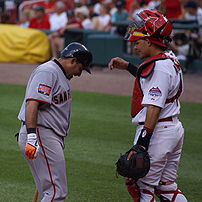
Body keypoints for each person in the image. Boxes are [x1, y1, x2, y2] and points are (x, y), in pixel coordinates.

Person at [108, 9, 187, 202]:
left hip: (158, 131)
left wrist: (142, 143)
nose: (135, 47)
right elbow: (152, 81)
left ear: (150, 41)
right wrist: (128, 67)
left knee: (141, 187)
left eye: (138, 42)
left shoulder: (159, 67)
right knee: (167, 187)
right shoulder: (169, 58)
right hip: (173, 128)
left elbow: (154, 107)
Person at [17, 42, 93, 201]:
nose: (79, 74)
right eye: (81, 68)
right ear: (73, 61)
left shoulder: (59, 74)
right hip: (41, 134)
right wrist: (32, 136)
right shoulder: (48, 72)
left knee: (49, 192)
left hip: (46, 135)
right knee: (56, 193)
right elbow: (32, 103)